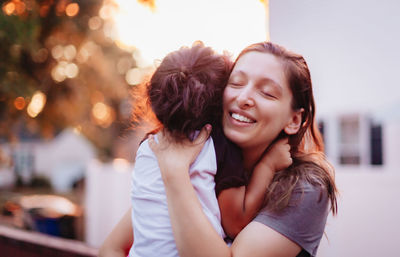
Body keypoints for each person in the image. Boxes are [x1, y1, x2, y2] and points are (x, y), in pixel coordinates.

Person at [100, 41, 338, 257]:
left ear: (294, 120)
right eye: (236, 83)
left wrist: (175, 173)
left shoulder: (304, 188)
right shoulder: (197, 156)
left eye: (266, 92)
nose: (244, 97)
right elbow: (111, 248)